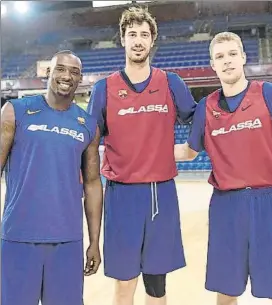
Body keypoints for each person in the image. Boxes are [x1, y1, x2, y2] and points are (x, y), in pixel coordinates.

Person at [87, 6, 196, 305]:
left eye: (144, 35)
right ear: (122, 39)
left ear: (152, 41)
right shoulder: (103, 89)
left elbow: (202, 120)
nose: (138, 40)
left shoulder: (171, 83)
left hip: (161, 194)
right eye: (132, 34)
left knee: (157, 284)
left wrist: (189, 150)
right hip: (121, 196)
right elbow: (87, 143)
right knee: (124, 283)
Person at [174, 32, 272, 305]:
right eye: (220, 56)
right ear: (212, 64)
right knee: (226, 290)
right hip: (226, 205)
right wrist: (141, 151)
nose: (227, 61)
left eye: (233, 54)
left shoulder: (271, 95)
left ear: (243, 58)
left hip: (271, 201)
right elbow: (188, 151)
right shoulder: (206, 108)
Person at [1, 50, 103, 305]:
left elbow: (92, 184)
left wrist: (94, 242)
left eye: (74, 71)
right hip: (18, 237)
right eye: (60, 68)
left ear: (81, 79)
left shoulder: (87, 124)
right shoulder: (15, 111)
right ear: (48, 72)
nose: (67, 76)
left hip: (67, 241)